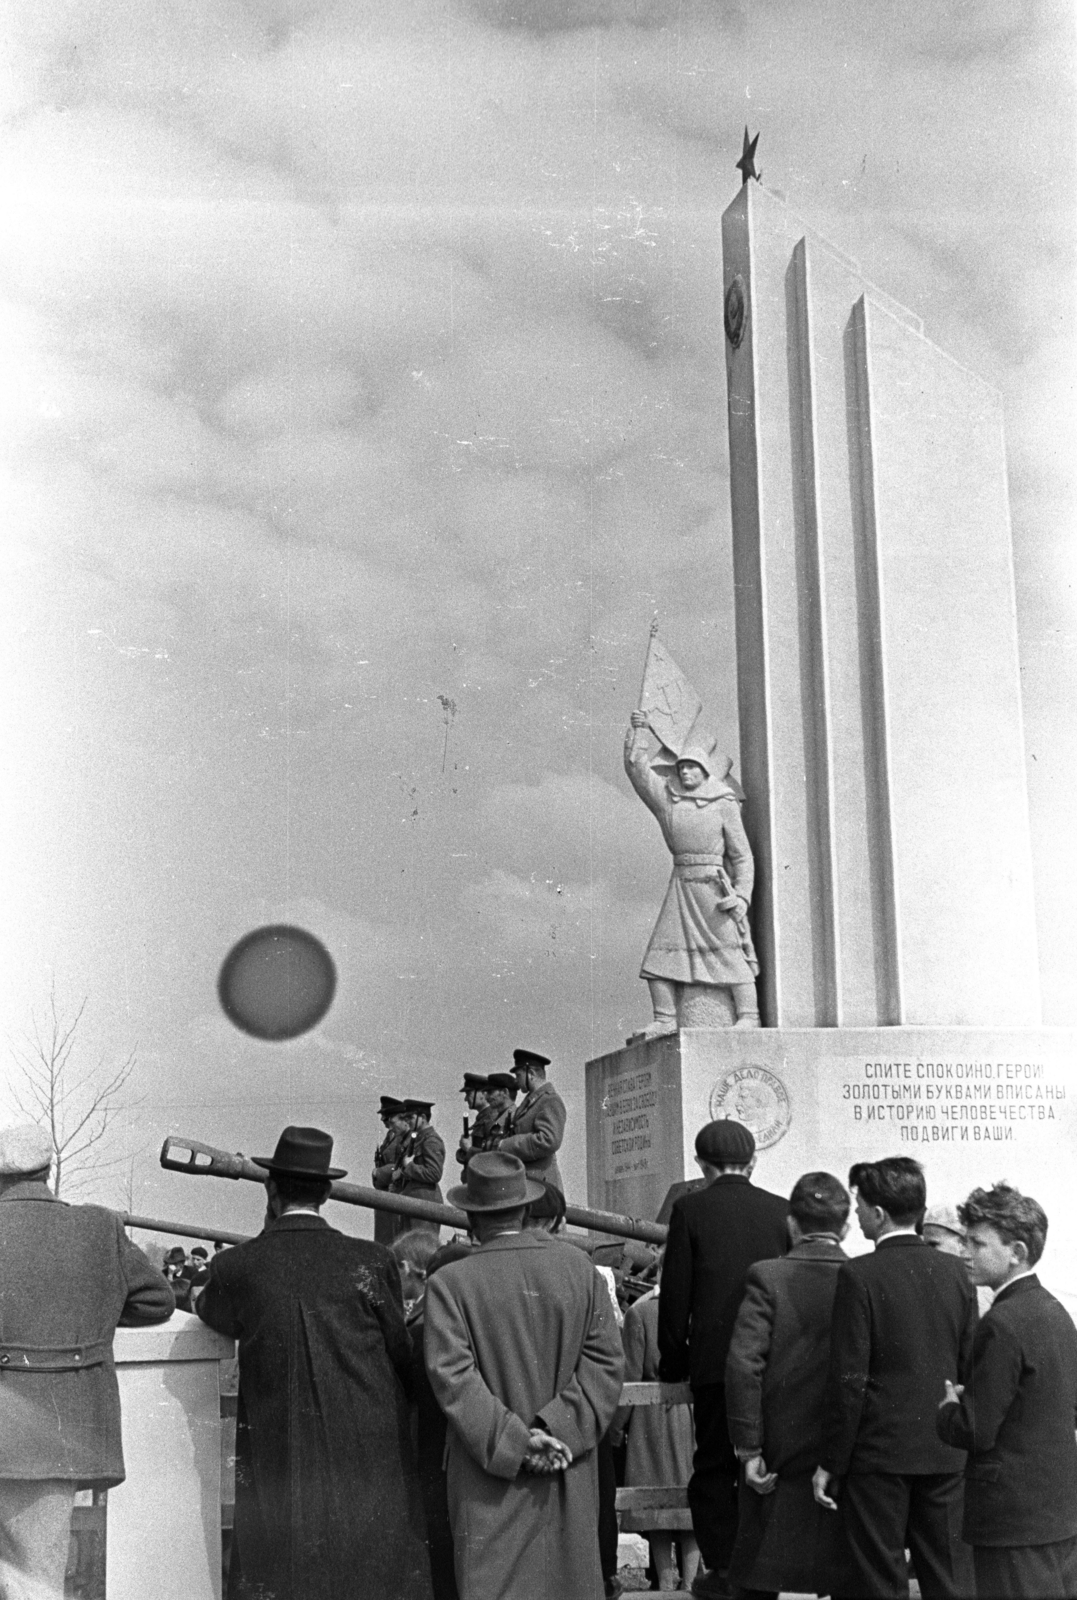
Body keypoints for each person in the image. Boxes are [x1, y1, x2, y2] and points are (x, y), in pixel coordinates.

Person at [195, 1125, 432, 1600]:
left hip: (281, 1453)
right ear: (326, 1192)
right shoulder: (370, 1260)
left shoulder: (238, 1266)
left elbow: (210, 1310)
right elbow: (402, 1356)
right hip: (367, 1451)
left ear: (271, 1188)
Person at [423, 1151, 625, 1600]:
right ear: (525, 1207)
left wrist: (518, 1442)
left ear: (472, 1217)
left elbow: (453, 1379)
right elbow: (606, 1367)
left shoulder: (450, 1284)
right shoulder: (581, 1271)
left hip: (488, 1478)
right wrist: (553, 1431)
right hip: (566, 1466)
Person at [0, 1124, 175, 1600]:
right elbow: (158, 1301)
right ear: (48, 1169)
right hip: (46, 1436)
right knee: (33, 1580)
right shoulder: (99, 1227)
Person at [814, 1156, 977, 1600]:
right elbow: (968, 1366)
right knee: (950, 1580)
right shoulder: (957, 1275)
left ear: (879, 1213)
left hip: (878, 1456)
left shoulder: (859, 1275)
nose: (857, 1214)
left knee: (879, 1582)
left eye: (860, 1205)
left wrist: (831, 1461)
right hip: (945, 1453)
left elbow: (850, 1380)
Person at [657, 1120, 787, 1598]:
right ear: (752, 1162)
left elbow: (675, 1299)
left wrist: (674, 1363)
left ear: (700, 1164)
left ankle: (724, 1569)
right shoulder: (782, 1211)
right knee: (767, 1466)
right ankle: (764, 1570)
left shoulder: (689, 1209)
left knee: (713, 1468)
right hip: (772, 1366)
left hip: (713, 1367)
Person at [936, 1184, 1077, 1599]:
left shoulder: (1001, 1323)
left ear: (1016, 1251)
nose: (965, 1252)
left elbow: (976, 1430)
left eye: (977, 1243)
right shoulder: (1056, 1312)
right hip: (1058, 1513)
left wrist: (949, 1409)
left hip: (1010, 1519)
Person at [724, 1171, 855, 1600]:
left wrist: (749, 1448)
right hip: (847, 1453)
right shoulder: (862, 1276)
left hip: (779, 1451)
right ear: (847, 1227)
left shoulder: (767, 1276)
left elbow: (745, 1365)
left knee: (760, 1575)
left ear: (792, 1224)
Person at [625, 710, 760, 1036]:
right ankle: (665, 1017)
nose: (684, 772)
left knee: (731, 954)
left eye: (691, 767)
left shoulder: (723, 803)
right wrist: (639, 732)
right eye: (681, 767)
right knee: (658, 958)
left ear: (704, 770)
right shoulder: (668, 802)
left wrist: (742, 895)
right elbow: (638, 771)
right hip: (681, 885)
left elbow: (742, 857)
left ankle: (749, 1015)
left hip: (714, 891)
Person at [614, 1258, 700, 1595]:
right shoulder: (698, 1308)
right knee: (690, 1506)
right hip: (691, 1416)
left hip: (651, 1421)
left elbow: (630, 1376)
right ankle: (692, 1582)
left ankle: (665, 1581)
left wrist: (618, 1428)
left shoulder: (640, 1313)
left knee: (656, 1510)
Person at [499, 1048, 567, 1191]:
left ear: (531, 1074)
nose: (516, 1081)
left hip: (542, 1186)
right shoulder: (531, 1101)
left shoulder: (550, 1100)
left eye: (518, 1074)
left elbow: (549, 1140)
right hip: (529, 1184)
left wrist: (506, 1145)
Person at [923, 1202, 993, 1315]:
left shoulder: (980, 1288)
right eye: (924, 1245)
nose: (926, 1252)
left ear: (961, 1243)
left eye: (933, 1244)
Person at [390, 1100, 446, 1239]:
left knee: (421, 1249)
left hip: (425, 1203)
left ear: (424, 1118)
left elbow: (434, 1174)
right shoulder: (418, 1139)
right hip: (413, 1200)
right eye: (406, 1118)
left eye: (411, 1118)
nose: (407, 1121)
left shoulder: (431, 1140)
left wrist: (409, 1167)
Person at [372, 1096, 409, 1245]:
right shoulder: (390, 1135)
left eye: (385, 1116)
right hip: (385, 1190)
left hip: (395, 1190)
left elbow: (399, 1165)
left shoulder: (402, 1136)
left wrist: (378, 1173)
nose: (382, 1119)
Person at [455, 1074, 491, 1171]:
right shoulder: (482, 1119)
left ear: (484, 1094)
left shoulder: (492, 1119)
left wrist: (468, 1149)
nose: (466, 1099)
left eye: (469, 1093)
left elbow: (492, 1156)